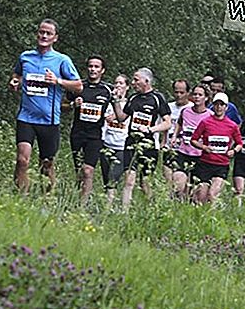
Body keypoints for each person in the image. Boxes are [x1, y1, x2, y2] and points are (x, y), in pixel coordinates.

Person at [9, 18, 82, 193]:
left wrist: (57, 81)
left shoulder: (62, 60)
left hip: (49, 120)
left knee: (46, 165)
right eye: (42, 32)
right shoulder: (26, 57)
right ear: (37, 34)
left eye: (48, 33)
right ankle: (20, 197)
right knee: (22, 160)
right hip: (26, 117)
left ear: (55, 38)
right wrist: (14, 82)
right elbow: (17, 75)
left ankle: (46, 198)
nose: (44, 36)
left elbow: (79, 86)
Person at [110, 67, 171, 209]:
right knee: (129, 179)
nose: (133, 83)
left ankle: (150, 208)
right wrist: (116, 101)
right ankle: (124, 212)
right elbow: (121, 118)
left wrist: (150, 129)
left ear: (146, 81)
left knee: (145, 182)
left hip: (149, 146)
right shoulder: (133, 98)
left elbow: (167, 123)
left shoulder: (157, 98)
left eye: (136, 80)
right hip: (131, 143)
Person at [67, 55, 112, 203]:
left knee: (88, 170)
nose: (93, 69)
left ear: (102, 70)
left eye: (96, 67)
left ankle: (83, 205)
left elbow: (122, 107)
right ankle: (77, 199)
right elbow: (62, 106)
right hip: (77, 133)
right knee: (79, 170)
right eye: (90, 66)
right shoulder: (78, 86)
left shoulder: (108, 90)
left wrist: (114, 115)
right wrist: (73, 105)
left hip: (95, 135)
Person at [191, 92, 242, 204]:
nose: (219, 107)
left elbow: (239, 143)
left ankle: (213, 218)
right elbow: (193, 140)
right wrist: (204, 147)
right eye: (216, 104)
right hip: (205, 163)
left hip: (221, 165)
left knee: (213, 194)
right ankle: (201, 218)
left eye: (222, 105)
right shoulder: (205, 122)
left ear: (226, 107)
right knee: (201, 197)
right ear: (213, 106)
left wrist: (233, 151)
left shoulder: (232, 125)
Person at [171, 84, 212, 200]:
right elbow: (179, 123)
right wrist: (175, 136)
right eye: (195, 94)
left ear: (206, 98)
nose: (197, 97)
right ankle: (176, 206)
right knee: (179, 184)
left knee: (197, 195)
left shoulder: (210, 115)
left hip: (200, 156)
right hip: (183, 152)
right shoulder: (185, 111)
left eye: (200, 95)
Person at [101, 74, 130, 204]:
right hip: (106, 143)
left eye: (121, 83)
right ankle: (109, 204)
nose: (118, 85)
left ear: (127, 87)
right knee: (106, 179)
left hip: (121, 146)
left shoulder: (130, 104)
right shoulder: (107, 102)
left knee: (113, 178)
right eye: (116, 83)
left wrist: (117, 115)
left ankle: (108, 208)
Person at [163, 79, 193, 186]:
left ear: (188, 93)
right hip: (169, 147)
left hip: (185, 149)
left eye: (182, 92)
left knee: (181, 183)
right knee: (168, 182)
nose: (178, 95)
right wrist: (163, 144)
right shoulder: (168, 107)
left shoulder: (192, 108)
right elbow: (164, 126)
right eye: (176, 92)